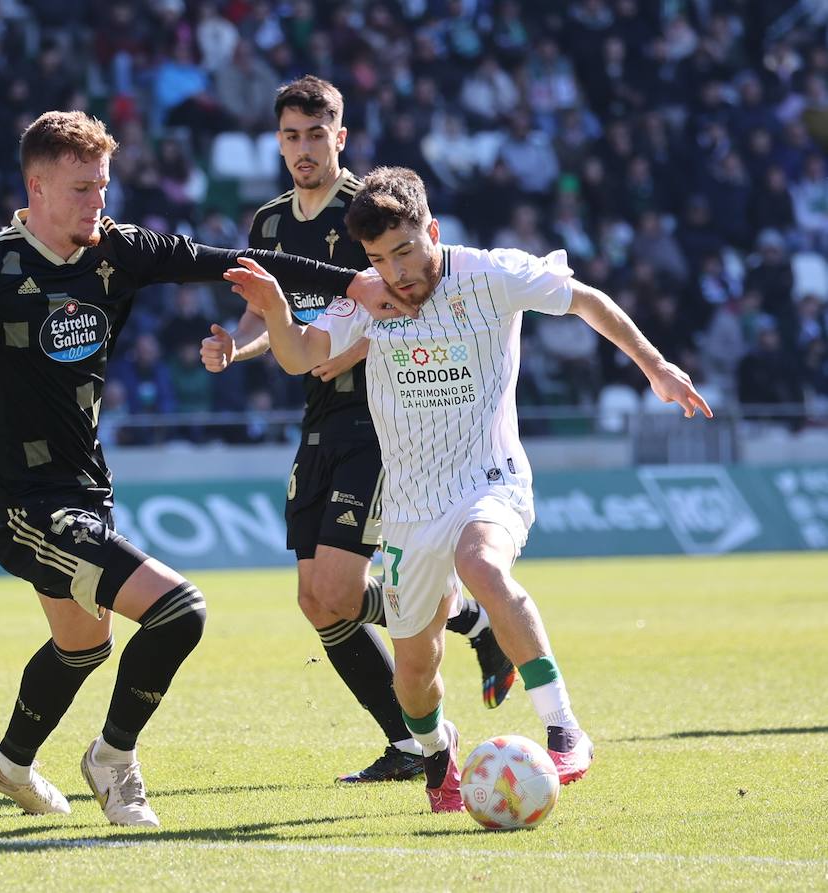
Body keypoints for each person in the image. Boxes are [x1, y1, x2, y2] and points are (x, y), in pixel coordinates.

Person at [0, 110, 386, 827]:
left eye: (102, 186)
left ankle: (8, 762)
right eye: (81, 190)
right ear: (36, 188)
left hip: (88, 492)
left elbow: (231, 261)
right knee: (179, 610)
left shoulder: (120, 251)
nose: (96, 203)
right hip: (24, 504)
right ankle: (114, 759)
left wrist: (355, 281)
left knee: (84, 643)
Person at [225, 165, 710, 812]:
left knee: (479, 561)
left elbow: (587, 299)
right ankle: (436, 753)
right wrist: (277, 313)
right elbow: (302, 356)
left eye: (404, 250)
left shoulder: (491, 273)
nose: (395, 271)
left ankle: (564, 728)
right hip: (407, 506)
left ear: (432, 230)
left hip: (490, 479)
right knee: (415, 672)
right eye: (377, 258)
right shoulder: (370, 294)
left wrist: (656, 366)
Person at [200, 77, 514, 784]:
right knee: (316, 599)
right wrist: (236, 347)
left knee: (340, 587)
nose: (303, 148)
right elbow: (266, 314)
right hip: (319, 415)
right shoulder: (270, 224)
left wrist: (342, 347)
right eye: (291, 136)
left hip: (382, 415)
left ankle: (453, 649)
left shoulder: (369, 213)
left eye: (317, 134)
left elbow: (408, 300)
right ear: (277, 142)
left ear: (340, 137)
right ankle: (416, 726)